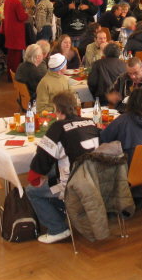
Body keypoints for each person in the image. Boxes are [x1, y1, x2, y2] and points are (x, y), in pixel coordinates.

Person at [26, 91, 101, 244]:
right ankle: (64, 211)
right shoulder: (90, 123)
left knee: (32, 191)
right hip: (95, 179)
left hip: (72, 185)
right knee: (52, 174)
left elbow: (42, 158)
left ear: (58, 110)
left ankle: (58, 229)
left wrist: (35, 178)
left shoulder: (58, 127)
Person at [100, 89, 142, 164]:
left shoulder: (123, 120)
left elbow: (104, 138)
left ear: (130, 102)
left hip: (129, 165)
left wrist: (100, 129)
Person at [3, 0, 29, 77]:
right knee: (16, 56)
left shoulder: (7, 1)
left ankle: (9, 75)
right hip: (16, 32)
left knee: (10, 55)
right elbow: (21, 17)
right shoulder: (17, 2)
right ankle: (15, 76)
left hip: (9, 30)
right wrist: (27, 14)